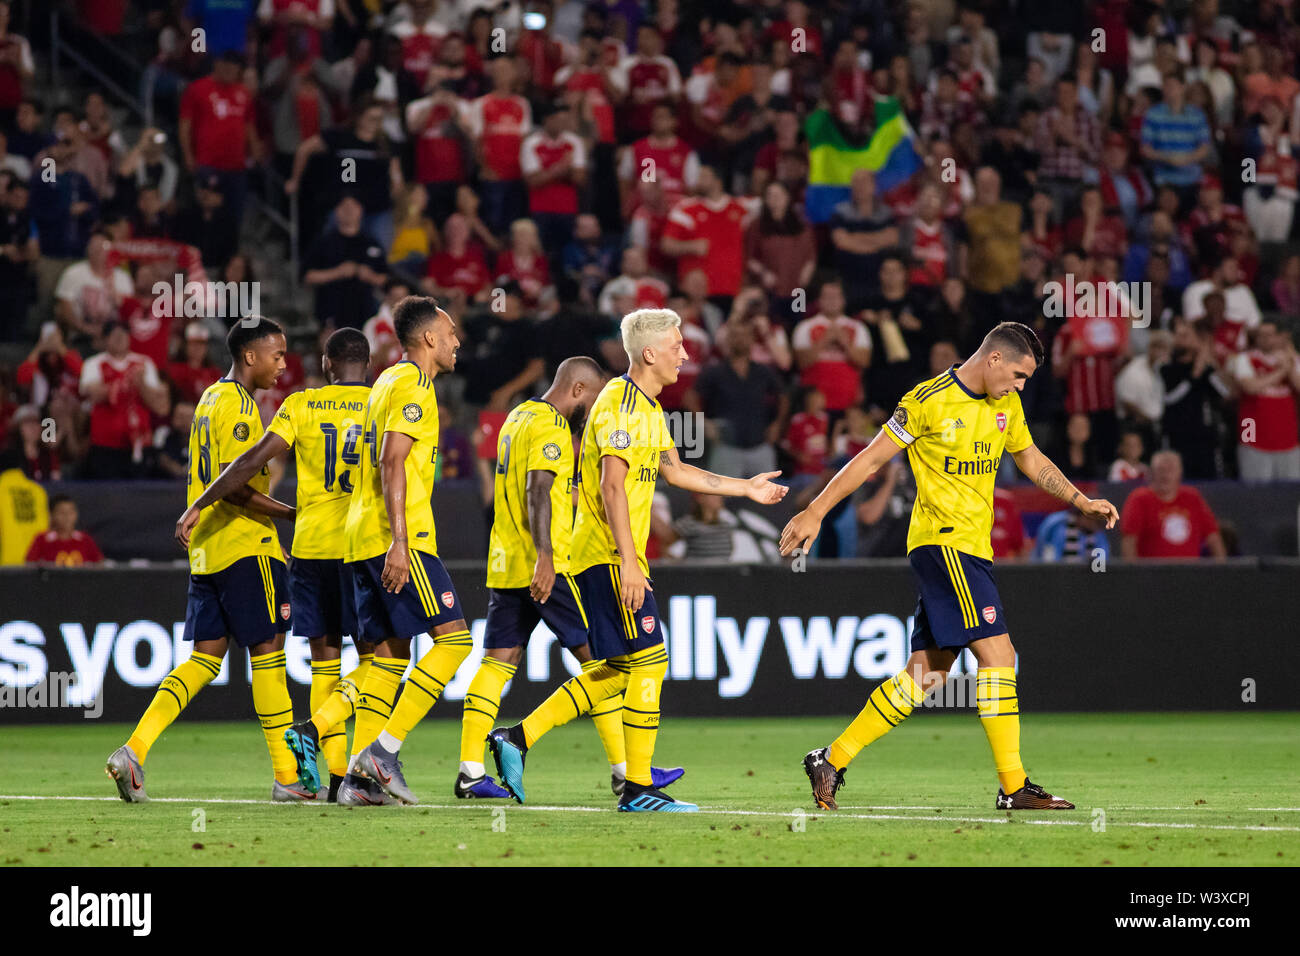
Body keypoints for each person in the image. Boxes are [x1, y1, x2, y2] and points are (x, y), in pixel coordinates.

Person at [780, 321, 1119, 811]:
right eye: (1020, 375)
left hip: (972, 549)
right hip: (944, 544)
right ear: (995, 359)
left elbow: (1030, 458)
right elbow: (869, 461)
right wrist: (815, 510)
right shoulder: (926, 400)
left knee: (928, 673)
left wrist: (1078, 499)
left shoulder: (1007, 404)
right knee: (1000, 655)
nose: (1022, 386)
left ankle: (831, 758)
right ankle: (1013, 785)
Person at [487, 308, 788, 812]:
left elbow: (674, 470)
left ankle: (518, 738)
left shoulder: (646, 408)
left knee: (622, 668)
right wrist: (629, 561)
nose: (685, 355)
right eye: (677, 346)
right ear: (649, 353)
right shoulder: (620, 406)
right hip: (605, 555)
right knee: (652, 660)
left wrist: (746, 488)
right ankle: (638, 788)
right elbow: (610, 485)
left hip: (611, 555)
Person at [456, 356, 682, 799]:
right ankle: (625, 771)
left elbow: (536, 485)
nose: (594, 412)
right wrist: (545, 555)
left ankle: (469, 769)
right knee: (607, 664)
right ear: (578, 391)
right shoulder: (553, 426)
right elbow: (537, 489)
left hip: (505, 562)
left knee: (496, 665)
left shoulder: (515, 418)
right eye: (593, 400)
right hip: (550, 565)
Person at [179, 328, 379, 804]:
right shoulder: (384, 403)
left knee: (324, 662)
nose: (285, 362)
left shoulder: (302, 404)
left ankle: (329, 778)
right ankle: (357, 771)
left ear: (327, 364)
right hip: (362, 543)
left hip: (310, 546)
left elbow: (247, 463)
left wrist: (198, 503)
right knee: (381, 659)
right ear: (367, 365)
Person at [106, 317, 302, 803]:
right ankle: (288, 778)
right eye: (276, 355)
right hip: (245, 548)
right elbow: (237, 489)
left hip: (207, 553)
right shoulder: (238, 406)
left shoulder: (208, 399)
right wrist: (295, 513)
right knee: (269, 653)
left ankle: (134, 749)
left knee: (204, 658)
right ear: (250, 356)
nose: (283, 364)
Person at [335, 297, 472, 806]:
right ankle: (383, 754)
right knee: (455, 641)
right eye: (451, 331)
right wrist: (399, 539)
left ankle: (359, 782)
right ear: (430, 338)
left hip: (360, 534)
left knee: (390, 656)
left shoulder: (385, 382)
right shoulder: (413, 384)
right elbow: (393, 462)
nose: (458, 341)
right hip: (399, 536)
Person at [1120, 450, 1226, 559]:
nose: (1165, 475)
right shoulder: (1140, 499)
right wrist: (1133, 573)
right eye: (1161, 470)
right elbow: (1129, 541)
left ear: (1180, 472)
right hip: (1152, 573)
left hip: (1190, 572)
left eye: (1170, 470)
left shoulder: (1193, 497)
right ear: (1151, 473)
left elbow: (1213, 537)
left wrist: (1222, 570)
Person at [25, 493, 103, 566]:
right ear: (52, 515)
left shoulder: (85, 539)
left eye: (71, 512)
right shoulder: (42, 540)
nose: (67, 517)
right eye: (62, 512)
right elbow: (30, 566)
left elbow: (100, 564)